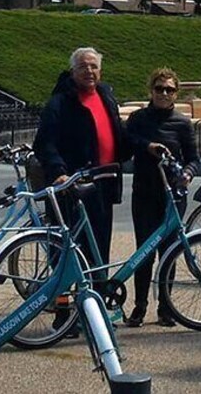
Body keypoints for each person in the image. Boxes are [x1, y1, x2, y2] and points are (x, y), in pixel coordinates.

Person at [33, 47, 130, 268]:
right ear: (72, 71)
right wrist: (59, 172)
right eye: (83, 66)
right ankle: (62, 299)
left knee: (98, 246)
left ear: (100, 71)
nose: (89, 71)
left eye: (93, 66)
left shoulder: (105, 95)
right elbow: (44, 142)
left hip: (104, 182)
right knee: (67, 249)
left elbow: (118, 133)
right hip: (73, 185)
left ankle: (95, 295)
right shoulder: (60, 102)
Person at [125, 67, 199, 328]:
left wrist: (188, 174)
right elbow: (126, 142)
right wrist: (147, 146)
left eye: (169, 90)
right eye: (159, 89)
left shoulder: (181, 123)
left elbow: (193, 158)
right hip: (145, 192)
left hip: (173, 195)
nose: (164, 94)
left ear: (176, 93)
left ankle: (165, 308)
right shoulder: (138, 118)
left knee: (169, 252)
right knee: (144, 251)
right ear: (151, 91)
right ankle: (140, 306)